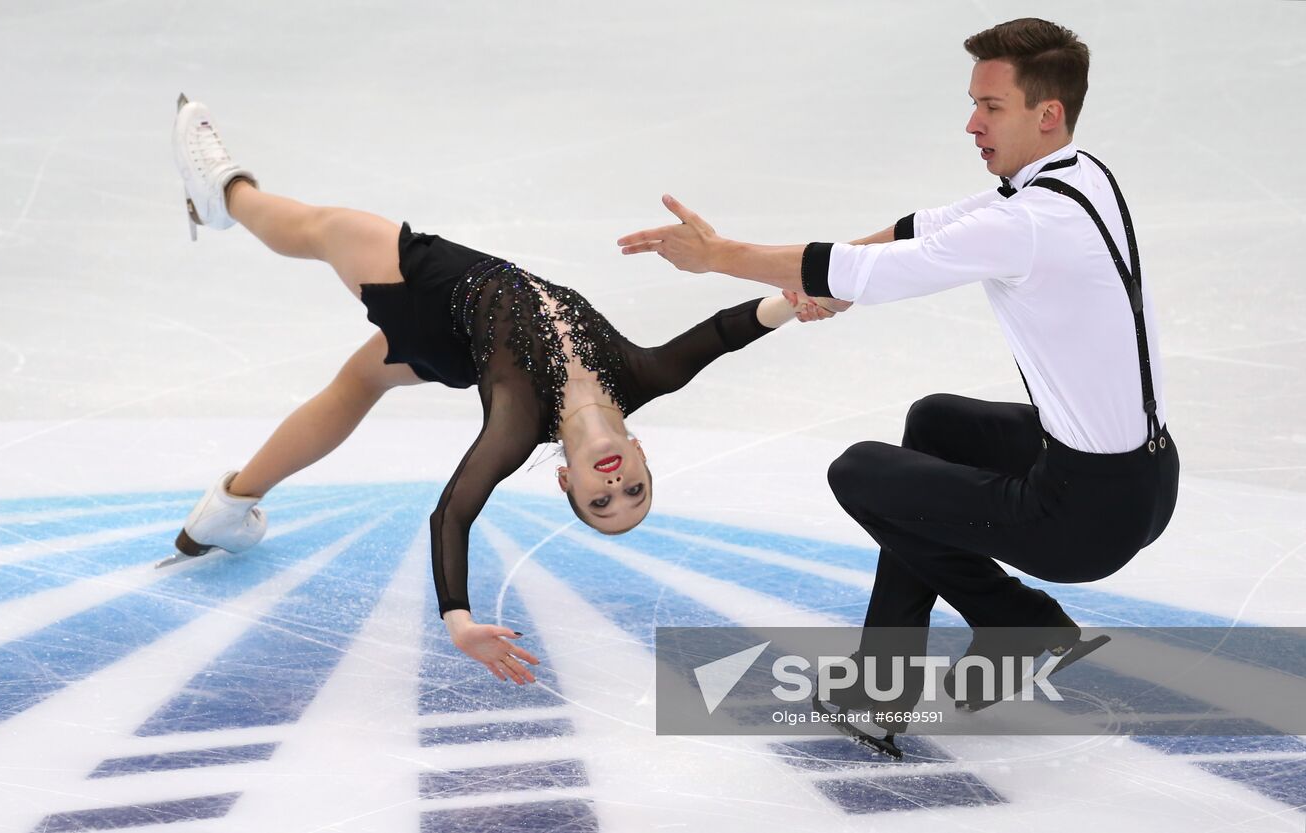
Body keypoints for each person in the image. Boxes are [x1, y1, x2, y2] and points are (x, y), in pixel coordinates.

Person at [618, 18, 1179, 746]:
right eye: (974, 102)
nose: (972, 123)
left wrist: (719, 255)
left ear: (1048, 115)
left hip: (1086, 514)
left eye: (992, 108)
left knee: (861, 473)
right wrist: (832, 283)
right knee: (937, 422)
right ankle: (882, 685)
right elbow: (926, 228)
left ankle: (1019, 624)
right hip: (1148, 475)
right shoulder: (1075, 177)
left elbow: (879, 271)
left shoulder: (1028, 223)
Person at [166, 95, 830, 686]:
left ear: (567, 481)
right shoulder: (641, 376)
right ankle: (230, 505)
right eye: (633, 488)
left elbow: (452, 513)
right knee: (358, 382)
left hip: (439, 292)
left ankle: (224, 196)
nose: (614, 484)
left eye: (601, 500)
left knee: (327, 230)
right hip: (459, 343)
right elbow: (721, 334)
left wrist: (458, 619)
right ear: (640, 452)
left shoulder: (517, 422)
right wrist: (789, 302)